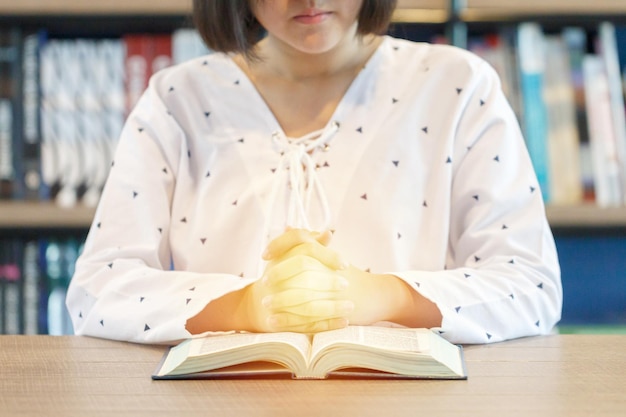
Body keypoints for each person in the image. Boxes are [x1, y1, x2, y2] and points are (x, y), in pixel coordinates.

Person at [66, 0, 562, 345]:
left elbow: (531, 287)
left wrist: (377, 297)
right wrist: (247, 308)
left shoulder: (457, 87)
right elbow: (97, 291)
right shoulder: (177, 101)